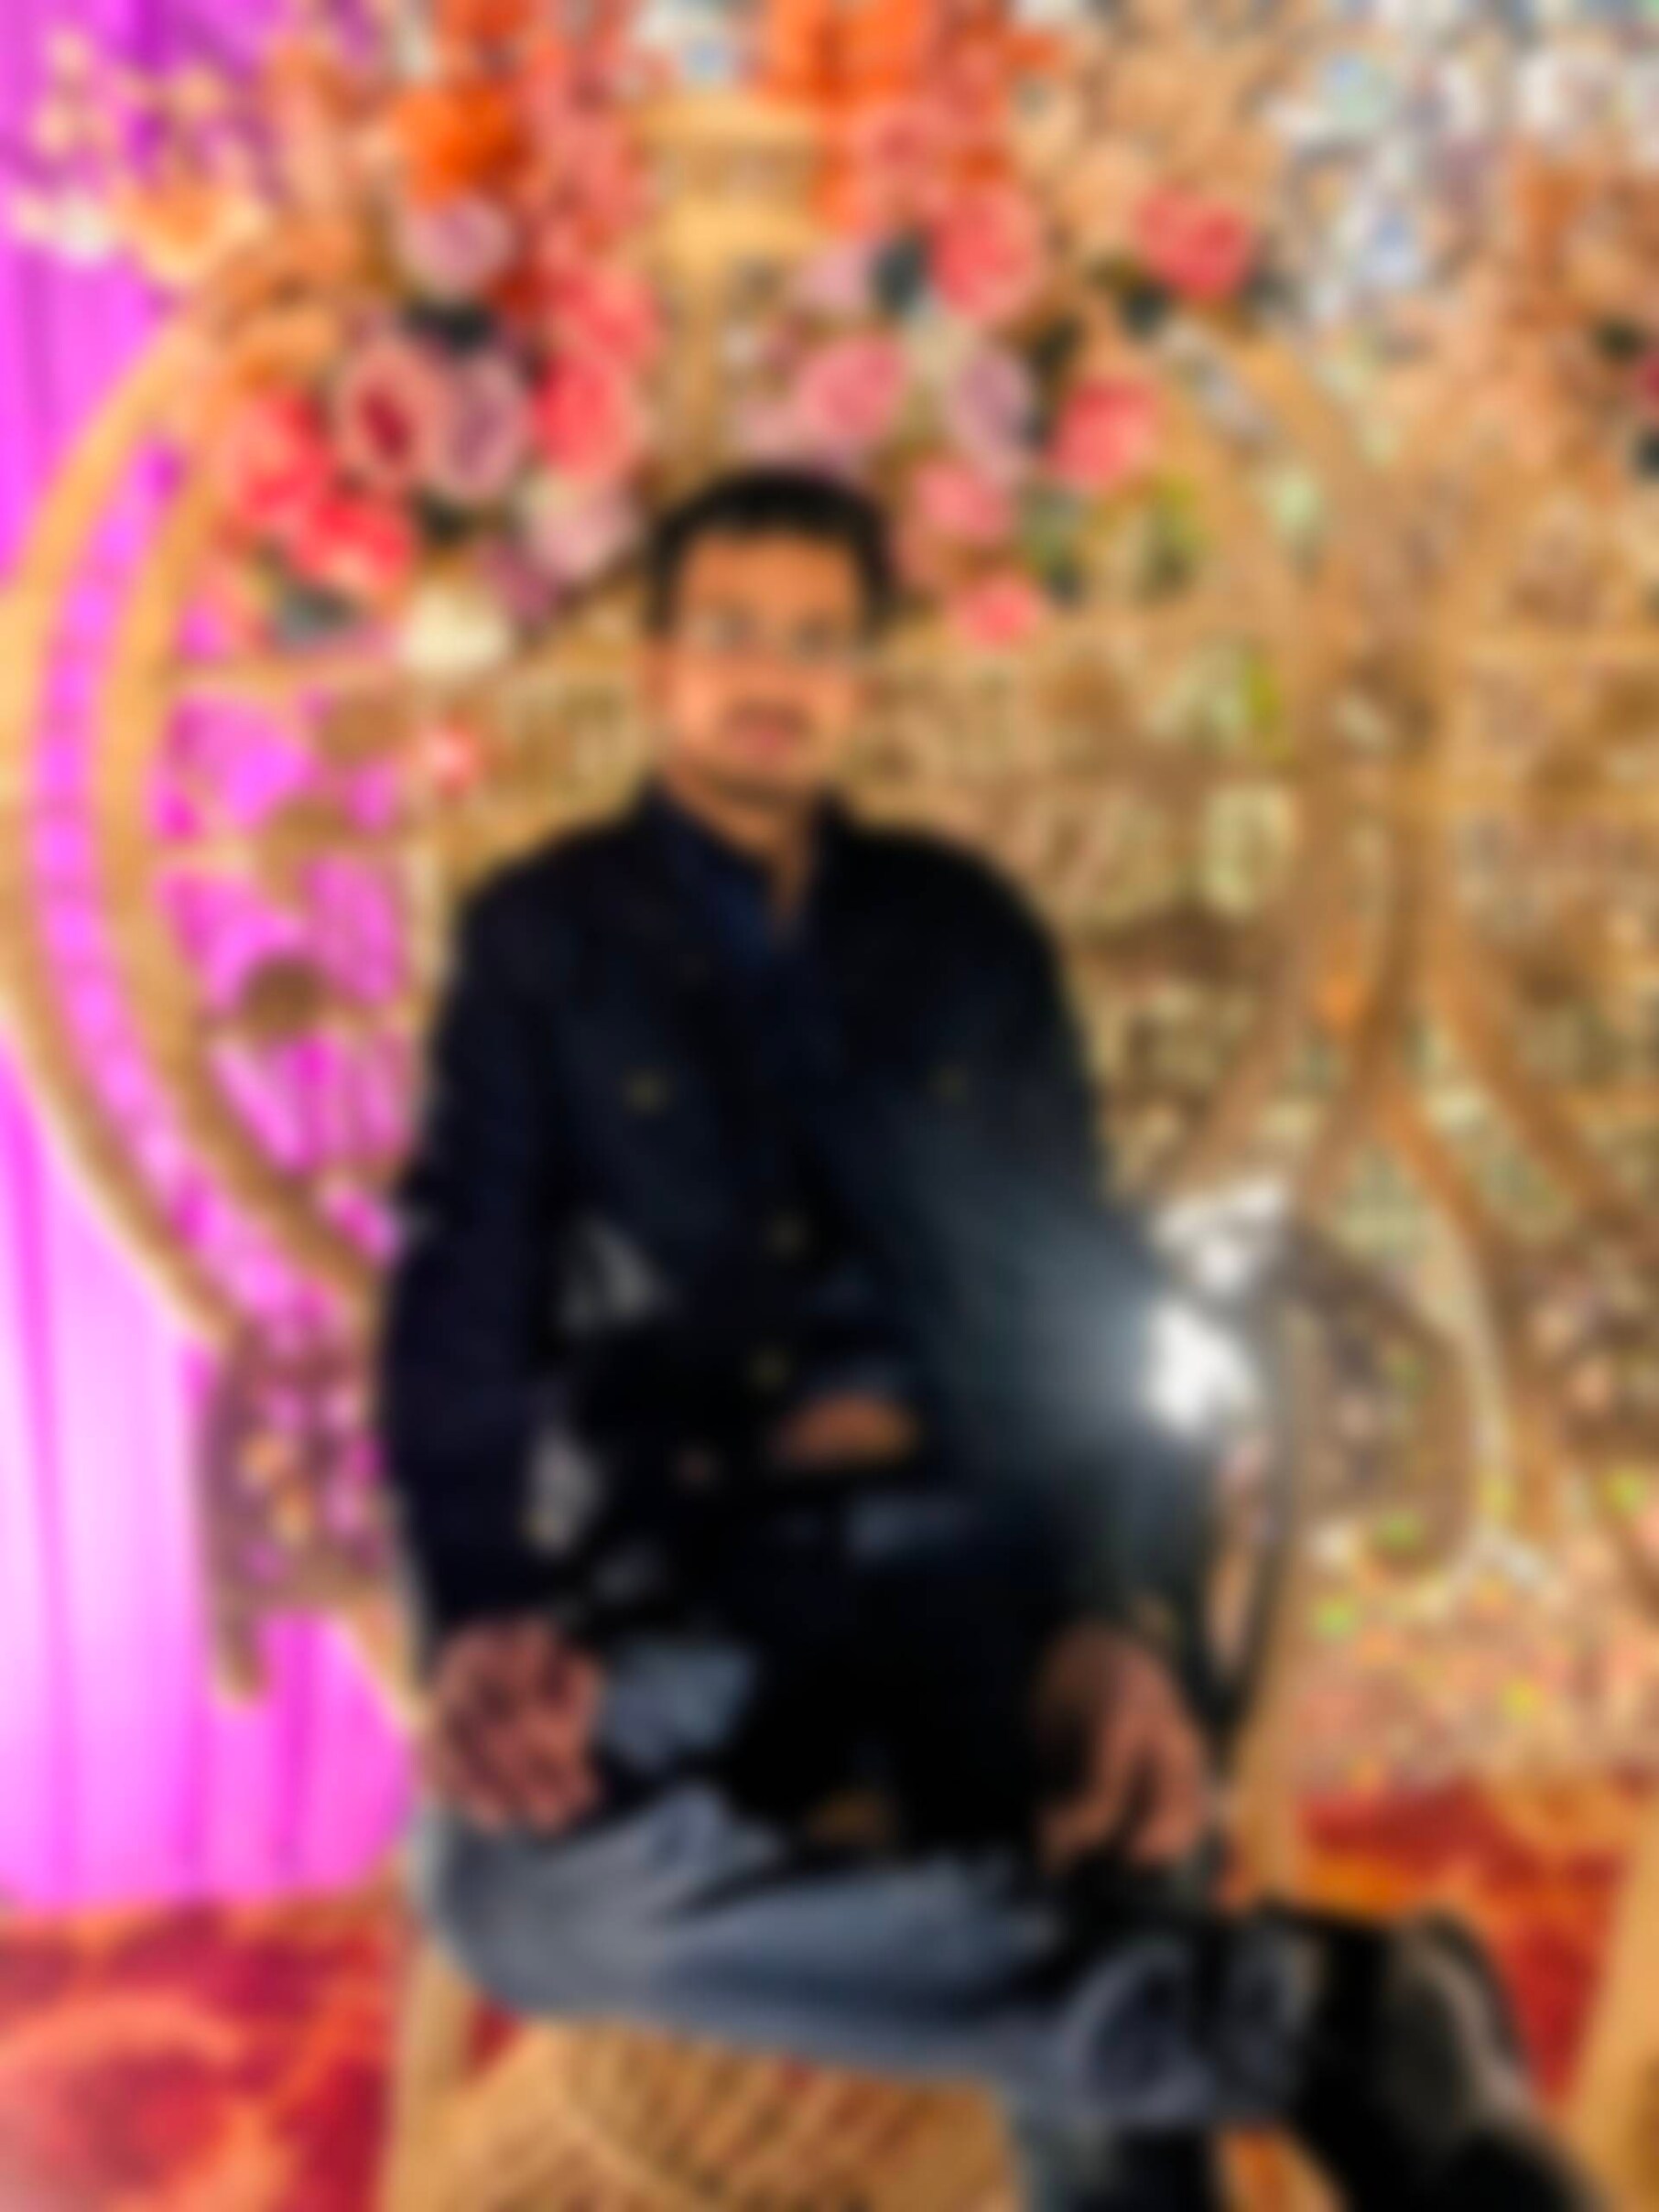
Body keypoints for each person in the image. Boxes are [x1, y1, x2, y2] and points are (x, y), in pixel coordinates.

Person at [376, 465, 1599, 2210]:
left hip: (985, 1563)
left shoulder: (964, 932)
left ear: (860, 680)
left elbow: (1088, 1313)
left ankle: (1238, 2009)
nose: (772, 676)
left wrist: (1119, 1612)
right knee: (502, 1889)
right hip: (703, 1575)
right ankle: (1313, 2019)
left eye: (817, 641)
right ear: (654, 667)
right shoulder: (542, 940)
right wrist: (484, 1609)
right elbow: (460, 1299)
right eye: (730, 632)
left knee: (1106, 1851)